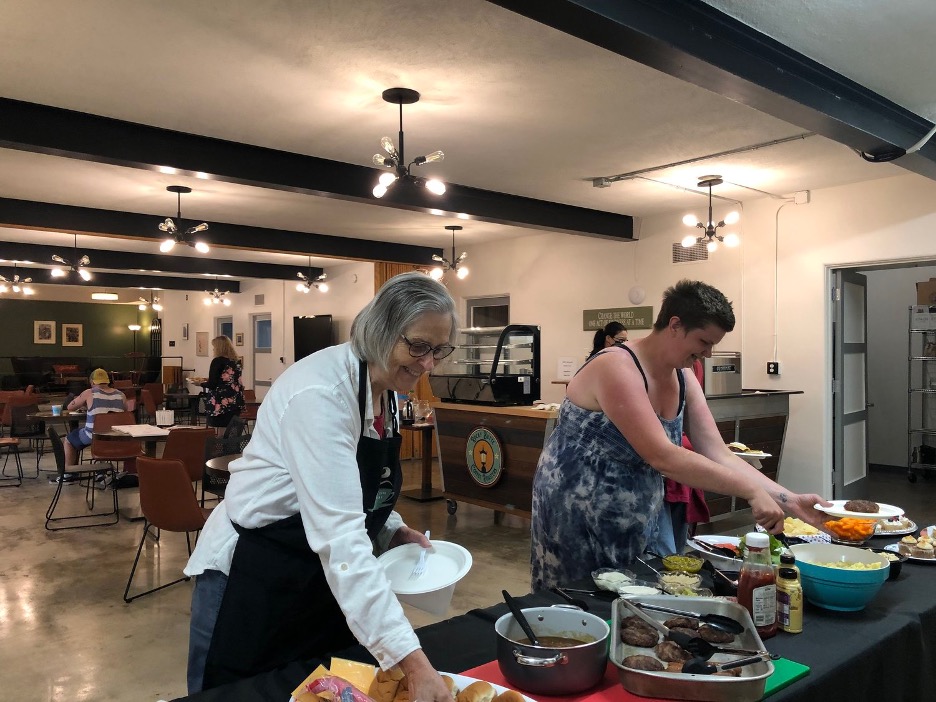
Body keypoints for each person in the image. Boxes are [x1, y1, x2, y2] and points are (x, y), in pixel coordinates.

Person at [184, 272, 458, 699]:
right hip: (258, 574)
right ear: (380, 329)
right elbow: (341, 537)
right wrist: (412, 660)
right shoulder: (322, 395)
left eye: (439, 350)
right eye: (418, 346)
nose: (427, 364)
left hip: (317, 579)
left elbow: (356, 483)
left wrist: (389, 527)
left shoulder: (385, 388)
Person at [531, 279, 830, 590]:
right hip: (576, 513)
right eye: (703, 341)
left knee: (634, 602)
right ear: (674, 325)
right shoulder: (616, 367)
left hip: (635, 512)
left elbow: (717, 451)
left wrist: (789, 500)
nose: (708, 354)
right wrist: (751, 492)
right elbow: (664, 456)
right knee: (577, 603)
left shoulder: (683, 375)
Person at [60, 368, 128, 472]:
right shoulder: (121, 395)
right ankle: (101, 471)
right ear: (108, 381)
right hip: (115, 436)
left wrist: (85, 403)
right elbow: (124, 412)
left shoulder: (89, 393)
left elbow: (69, 407)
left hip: (93, 436)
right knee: (102, 432)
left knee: (69, 440)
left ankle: (68, 474)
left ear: (92, 382)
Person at [201, 335, 245, 432]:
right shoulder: (236, 362)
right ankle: (231, 447)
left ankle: (220, 447)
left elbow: (212, 383)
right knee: (231, 432)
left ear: (219, 348)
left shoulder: (217, 361)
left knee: (220, 431)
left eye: (214, 347)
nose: (213, 349)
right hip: (235, 400)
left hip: (221, 401)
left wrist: (201, 384)